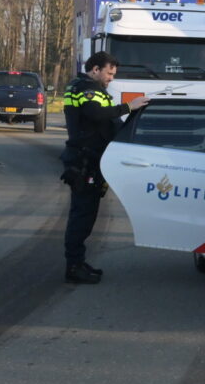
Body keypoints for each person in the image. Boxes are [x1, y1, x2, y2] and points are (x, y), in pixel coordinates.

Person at [60, 51, 150, 284]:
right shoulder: (86, 89)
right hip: (84, 161)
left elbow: (108, 124)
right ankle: (73, 267)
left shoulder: (88, 88)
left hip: (89, 160)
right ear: (96, 69)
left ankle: (78, 262)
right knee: (81, 216)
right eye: (109, 73)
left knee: (86, 215)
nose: (111, 78)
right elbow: (97, 114)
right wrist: (129, 107)